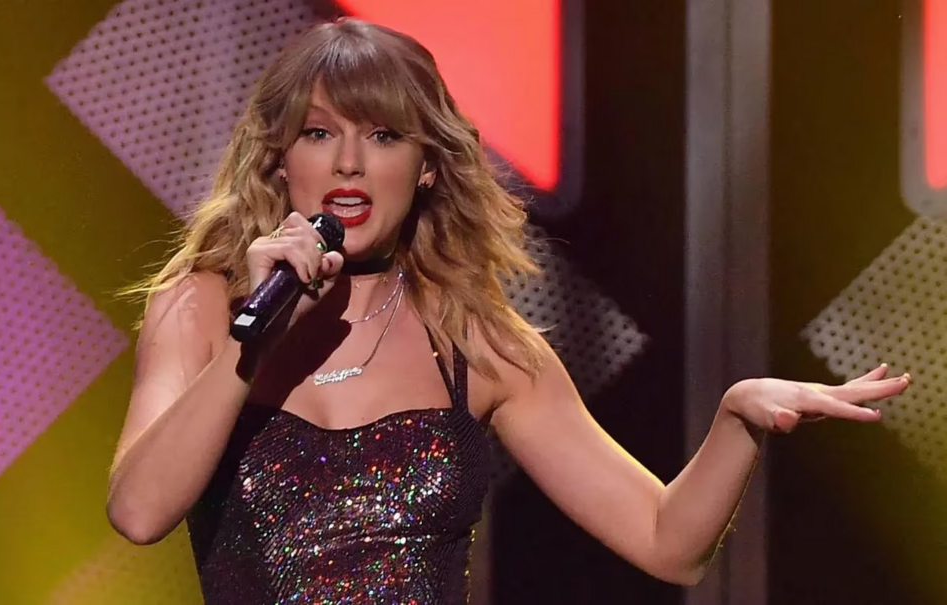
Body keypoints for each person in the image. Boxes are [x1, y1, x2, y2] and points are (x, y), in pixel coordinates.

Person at [106, 17, 910, 604]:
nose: (349, 161)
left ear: (426, 167)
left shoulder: (476, 343)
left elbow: (668, 542)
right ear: (281, 160)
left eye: (383, 135)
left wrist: (736, 418)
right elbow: (138, 511)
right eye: (319, 133)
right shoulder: (201, 309)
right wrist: (253, 343)